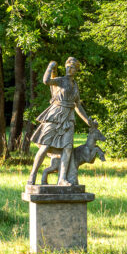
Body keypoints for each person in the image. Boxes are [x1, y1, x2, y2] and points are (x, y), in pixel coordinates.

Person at [27, 57, 97, 186]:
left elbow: (77, 105)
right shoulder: (60, 81)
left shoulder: (75, 85)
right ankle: (32, 175)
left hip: (69, 118)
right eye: (68, 67)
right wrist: (50, 66)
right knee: (45, 146)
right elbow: (46, 80)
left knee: (68, 148)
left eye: (73, 67)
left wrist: (87, 120)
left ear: (76, 70)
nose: (69, 69)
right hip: (55, 115)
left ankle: (62, 179)